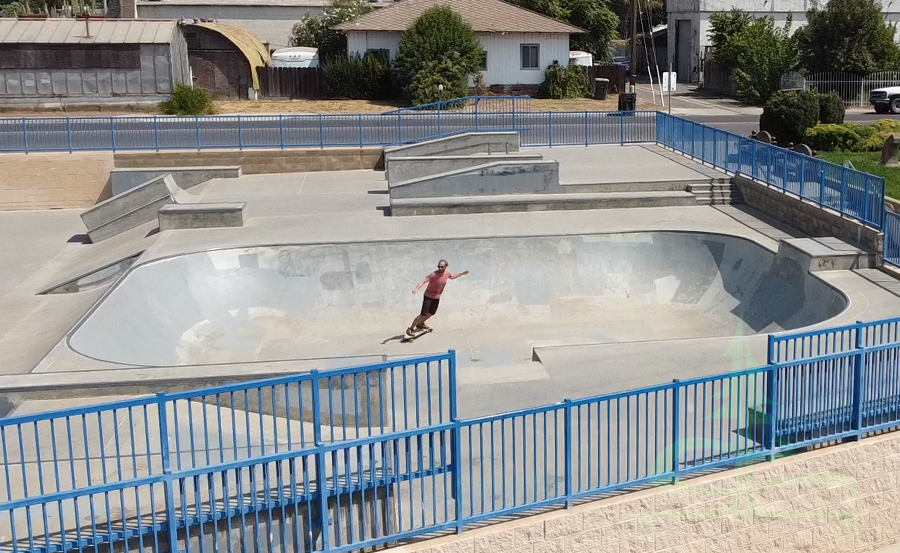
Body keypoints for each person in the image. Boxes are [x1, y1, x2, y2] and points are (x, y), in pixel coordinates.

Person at [407, 259, 469, 336]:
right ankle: (410, 328)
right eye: (438, 266)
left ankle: (420, 324)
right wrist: (416, 289)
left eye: (442, 267)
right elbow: (423, 281)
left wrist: (462, 273)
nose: (439, 268)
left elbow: (452, 276)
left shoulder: (447, 273)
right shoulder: (433, 274)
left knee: (431, 313)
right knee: (423, 314)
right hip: (428, 296)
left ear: (446, 266)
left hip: (436, 297)